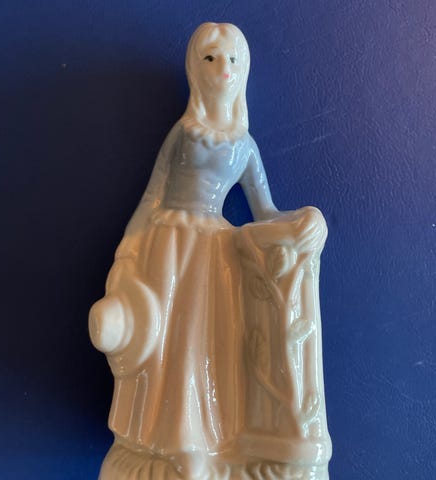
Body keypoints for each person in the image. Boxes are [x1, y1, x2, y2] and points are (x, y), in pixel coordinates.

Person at [89, 22, 329, 479]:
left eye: (233, 60)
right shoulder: (184, 133)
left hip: (212, 253)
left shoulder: (244, 147)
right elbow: (151, 198)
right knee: (170, 341)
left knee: (203, 347)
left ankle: (198, 439)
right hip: (169, 246)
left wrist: (309, 218)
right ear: (195, 70)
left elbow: (266, 210)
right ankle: (169, 443)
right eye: (212, 58)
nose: (224, 69)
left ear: (244, 71)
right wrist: (126, 255)